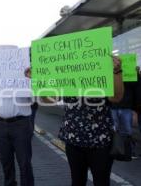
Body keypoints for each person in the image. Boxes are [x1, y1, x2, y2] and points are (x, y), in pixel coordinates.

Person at [51, 57, 123, 186]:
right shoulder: (67, 80)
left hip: (100, 142)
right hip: (73, 141)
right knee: (77, 181)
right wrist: (39, 80)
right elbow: (48, 99)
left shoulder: (102, 76)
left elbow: (117, 97)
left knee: (101, 182)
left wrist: (117, 72)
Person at [0, 45, 34, 186]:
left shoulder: (26, 78)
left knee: (24, 163)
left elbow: (35, 98)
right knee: (6, 163)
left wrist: (30, 80)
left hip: (21, 124)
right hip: (0, 124)